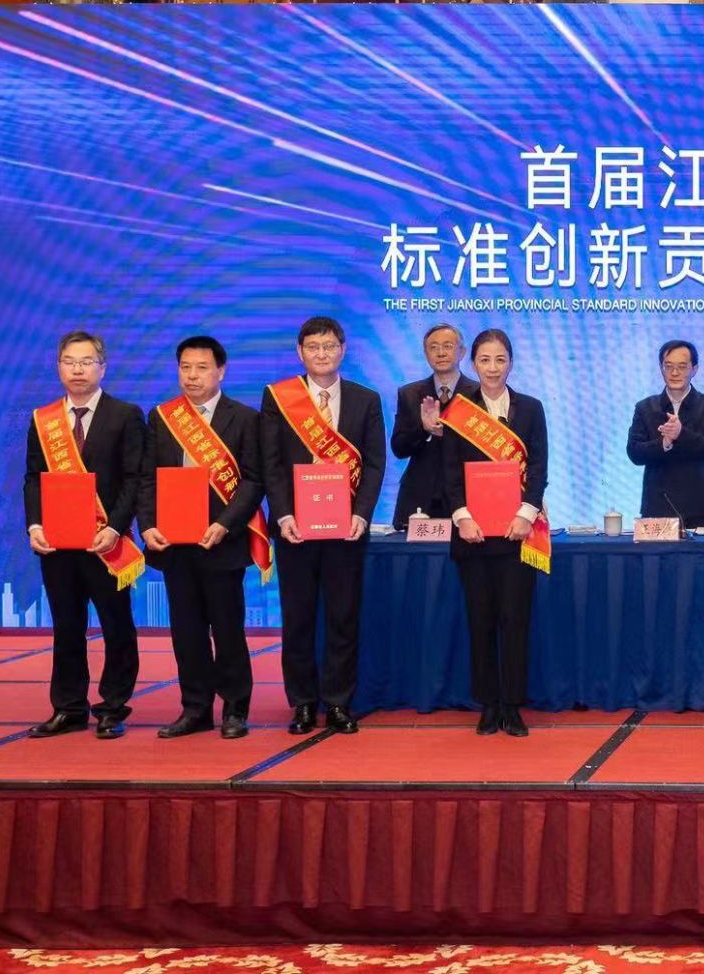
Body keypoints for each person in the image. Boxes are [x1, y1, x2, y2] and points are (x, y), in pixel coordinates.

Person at [260, 316, 386, 737]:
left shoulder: (366, 399)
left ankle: (337, 702)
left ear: (343, 350)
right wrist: (283, 514)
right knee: (298, 619)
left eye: (329, 346)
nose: (321, 354)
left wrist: (361, 514)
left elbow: (375, 464)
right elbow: (271, 463)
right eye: (313, 347)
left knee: (342, 617)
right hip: (295, 529)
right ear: (300, 352)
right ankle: (302, 703)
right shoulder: (279, 398)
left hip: (346, 529)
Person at [140, 336, 266, 740]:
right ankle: (195, 708)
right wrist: (147, 525)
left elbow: (253, 480)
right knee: (187, 632)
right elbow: (148, 478)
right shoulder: (163, 417)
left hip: (222, 542)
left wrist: (226, 523)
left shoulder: (244, 418)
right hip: (175, 544)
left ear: (220, 371)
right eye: (185, 368)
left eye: (201, 368)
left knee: (228, 630)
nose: (192, 376)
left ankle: (235, 709)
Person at [23, 330, 145, 740]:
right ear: (59, 367)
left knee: (116, 626)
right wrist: (35, 525)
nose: (78, 369)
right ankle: (68, 707)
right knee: (67, 626)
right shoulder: (44, 420)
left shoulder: (125, 415)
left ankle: (113, 706)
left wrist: (114, 528)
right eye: (70, 362)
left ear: (102, 367)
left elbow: (134, 479)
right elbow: (33, 479)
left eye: (86, 361)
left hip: (106, 542)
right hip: (58, 545)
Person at [443, 329, 550, 738]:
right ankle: (488, 705)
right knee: (481, 621)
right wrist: (462, 517)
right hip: (472, 535)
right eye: (485, 360)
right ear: (473, 363)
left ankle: (513, 706)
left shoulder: (531, 408)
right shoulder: (458, 410)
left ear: (511, 363)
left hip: (517, 534)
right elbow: (450, 472)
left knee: (515, 620)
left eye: (500, 359)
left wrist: (526, 514)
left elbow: (538, 467)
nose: (492, 368)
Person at [625, 339, 704, 526]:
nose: (675, 373)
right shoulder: (645, 407)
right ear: (661, 369)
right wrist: (664, 443)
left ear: (694, 369)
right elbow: (634, 453)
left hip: (701, 509)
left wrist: (682, 435)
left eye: (682, 367)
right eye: (668, 366)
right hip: (657, 509)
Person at [389, 324, 478, 530]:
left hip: (466, 498)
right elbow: (399, 448)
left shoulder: (477, 394)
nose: (441, 353)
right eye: (434, 347)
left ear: (462, 352)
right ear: (425, 353)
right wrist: (424, 429)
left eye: (448, 346)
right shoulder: (410, 394)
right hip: (420, 498)